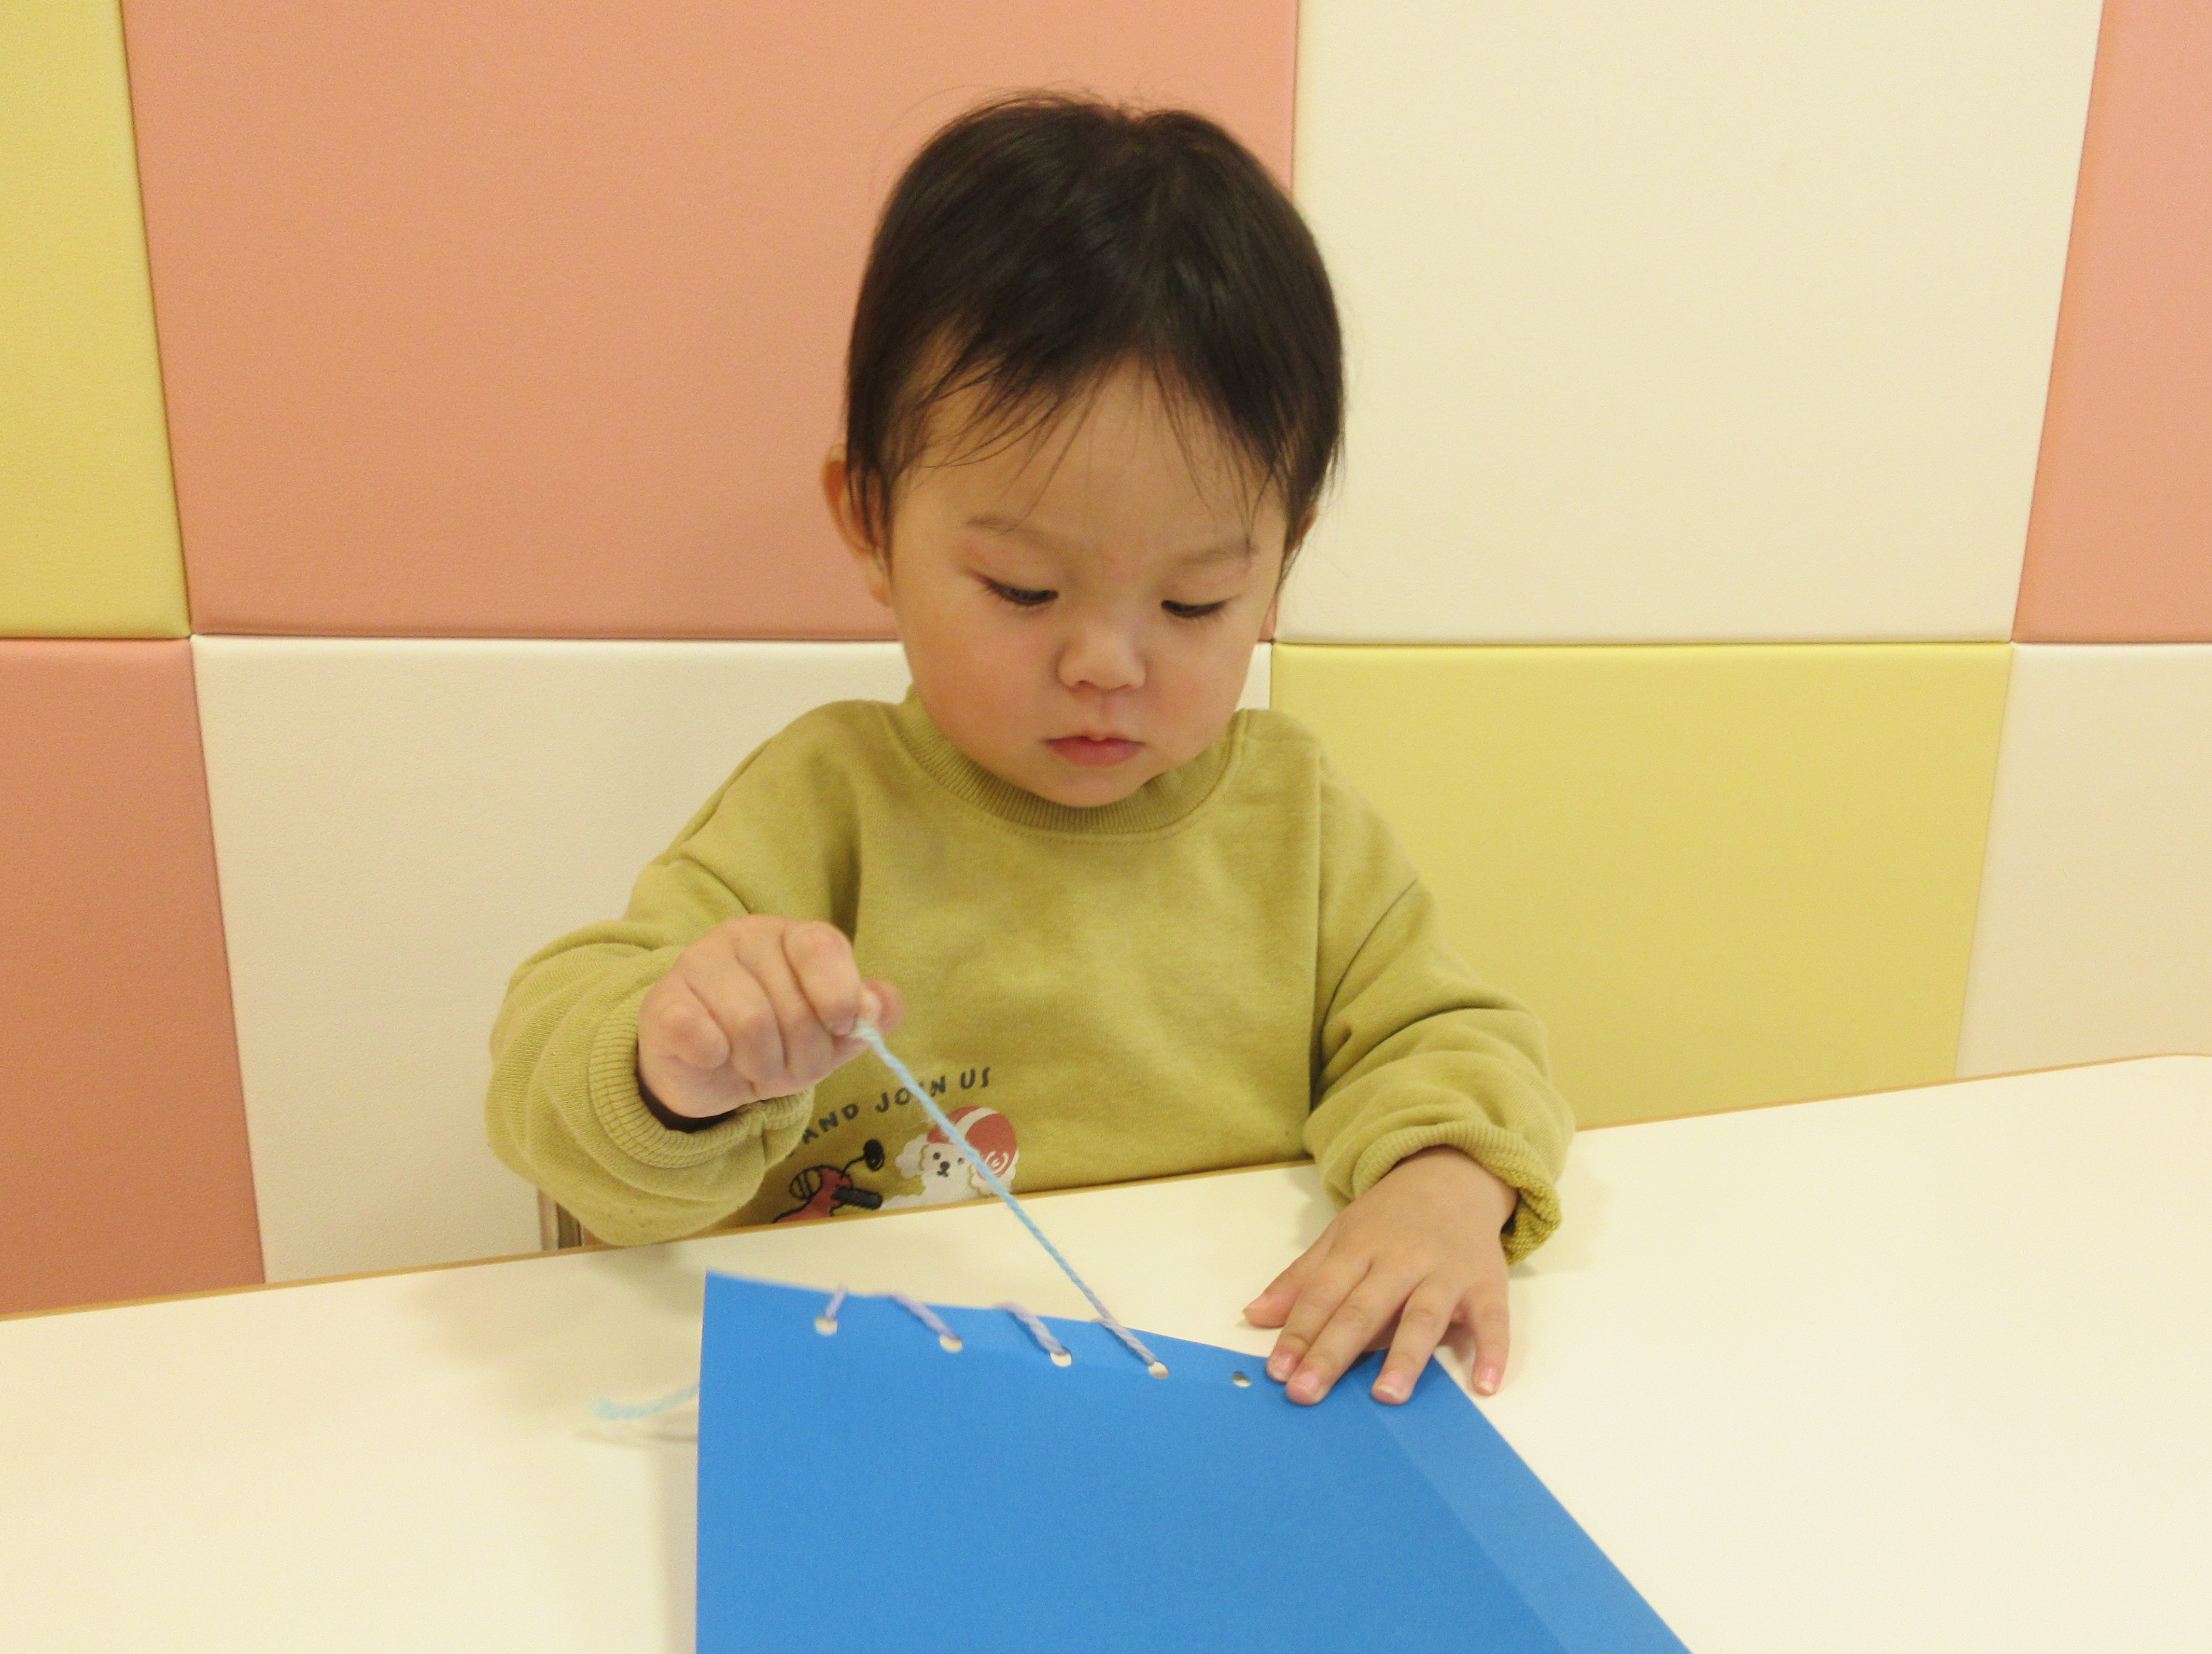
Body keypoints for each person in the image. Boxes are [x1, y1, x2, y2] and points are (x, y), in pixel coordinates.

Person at [487, 93, 1570, 1407]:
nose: (1107, 663)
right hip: (889, 1396)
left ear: (1281, 561)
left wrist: (1444, 1183)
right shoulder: (825, 805)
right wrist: (670, 1069)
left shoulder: (1297, 820)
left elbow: (1454, 1037)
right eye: (1022, 589)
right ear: (871, 521)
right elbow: (552, 1074)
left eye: (1195, 604)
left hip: (1218, 1384)